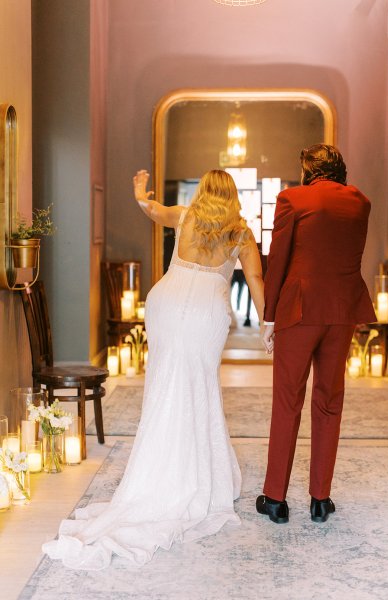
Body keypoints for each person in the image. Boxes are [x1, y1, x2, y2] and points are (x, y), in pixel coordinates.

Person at [42, 169, 265, 570]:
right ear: (233, 197)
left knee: (164, 388)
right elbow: (256, 283)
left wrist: (137, 191)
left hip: (165, 303)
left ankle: (158, 470)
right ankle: (194, 474)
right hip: (204, 312)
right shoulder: (242, 234)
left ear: (204, 193)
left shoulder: (185, 216)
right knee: (200, 387)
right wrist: (268, 325)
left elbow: (151, 209)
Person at [256, 144, 376, 524]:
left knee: (288, 401)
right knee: (329, 402)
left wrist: (269, 316)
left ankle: (275, 498)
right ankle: (320, 499)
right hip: (342, 312)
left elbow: (278, 261)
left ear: (307, 169)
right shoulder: (361, 202)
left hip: (299, 311)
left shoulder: (292, 199)